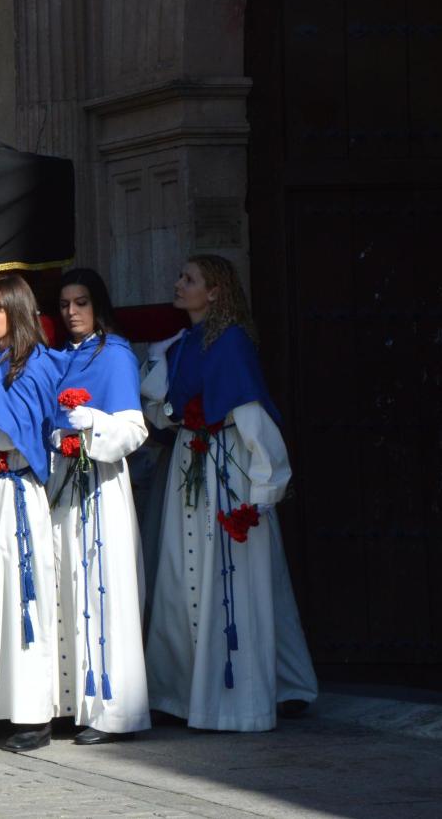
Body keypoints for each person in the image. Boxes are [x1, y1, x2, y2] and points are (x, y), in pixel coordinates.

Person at [142, 255, 317, 732]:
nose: (178, 284)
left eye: (189, 279)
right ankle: (179, 692)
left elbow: (253, 416)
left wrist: (264, 488)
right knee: (182, 575)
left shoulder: (232, 342)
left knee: (238, 580)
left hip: (228, 467)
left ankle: (248, 696)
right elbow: (162, 414)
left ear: (214, 291)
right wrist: (159, 360)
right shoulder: (184, 342)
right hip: (190, 462)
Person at [0, 273, 66, 752]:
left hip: (17, 490)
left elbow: (7, 435)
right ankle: (0, 708)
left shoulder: (33, 364)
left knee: (22, 602)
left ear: (18, 312)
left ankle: (33, 715)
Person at [48, 268, 151, 743]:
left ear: (98, 304)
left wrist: (92, 426)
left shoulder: (116, 355)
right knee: (69, 589)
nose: (72, 312)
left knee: (103, 590)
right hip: (64, 487)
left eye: (81, 302)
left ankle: (113, 712)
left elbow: (134, 429)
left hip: (101, 484)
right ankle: (74, 703)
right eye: (65, 304)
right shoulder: (61, 358)